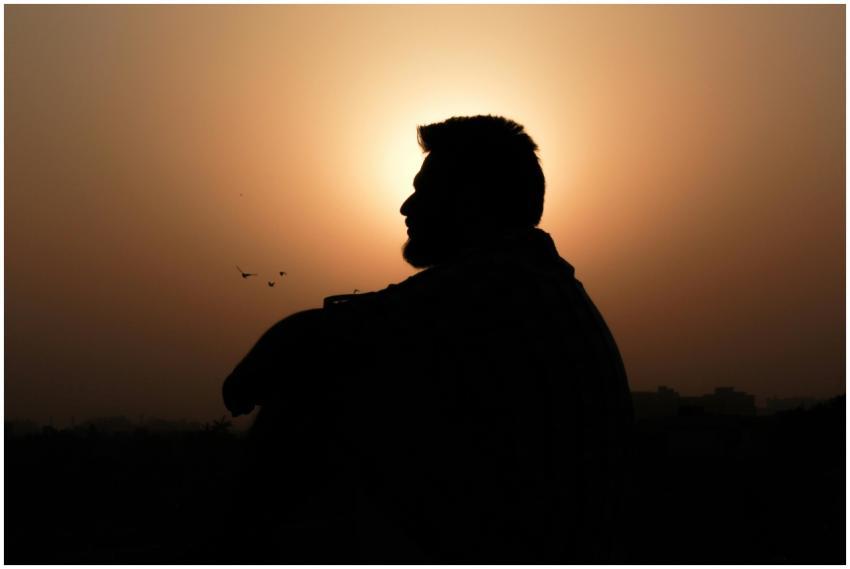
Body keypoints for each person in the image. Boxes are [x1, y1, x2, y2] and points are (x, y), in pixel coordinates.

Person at [222, 115, 633, 563]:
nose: (406, 207)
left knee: (313, 393)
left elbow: (303, 342)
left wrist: (249, 386)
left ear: (471, 200)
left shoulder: (490, 288)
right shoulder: (541, 285)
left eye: (424, 190)